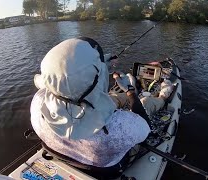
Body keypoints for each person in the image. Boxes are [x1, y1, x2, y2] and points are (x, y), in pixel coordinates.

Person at [30, 37, 172, 177]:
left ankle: (127, 96)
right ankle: (164, 96)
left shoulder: (38, 102)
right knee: (145, 102)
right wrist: (130, 91)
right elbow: (144, 125)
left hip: (67, 155)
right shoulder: (118, 127)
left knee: (113, 99)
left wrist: (102, 61)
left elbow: (67, 77)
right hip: (108, 168)